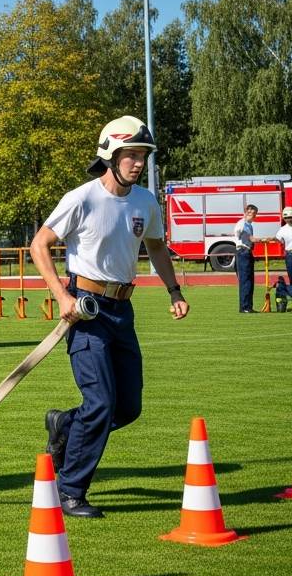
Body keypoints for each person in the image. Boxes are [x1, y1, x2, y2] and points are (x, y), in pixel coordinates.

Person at [29, 116, 189, 519]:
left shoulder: (145, 201)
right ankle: (70, 490)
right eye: (131, 155)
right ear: (110, 156)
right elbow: (39, 245)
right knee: (100, 402)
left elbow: (156, 248)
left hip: (122, 310)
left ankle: (65, 425)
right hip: (86, 308)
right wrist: (62, 295)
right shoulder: (81, 198)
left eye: (143, 156)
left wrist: (174, 291)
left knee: (128, 407)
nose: (139, 163)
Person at [233, 203, 258, 314]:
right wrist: (260, 240)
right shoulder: (242, 223)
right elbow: (240, 233)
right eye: (249, 212)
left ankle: (248, 306)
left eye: (254, 213)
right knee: (245, 281)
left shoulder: (249, 225)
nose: (251, 214)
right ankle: (244, 307)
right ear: (245, 212)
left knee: (250, 281)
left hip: (248, 252)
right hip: (243, 251)